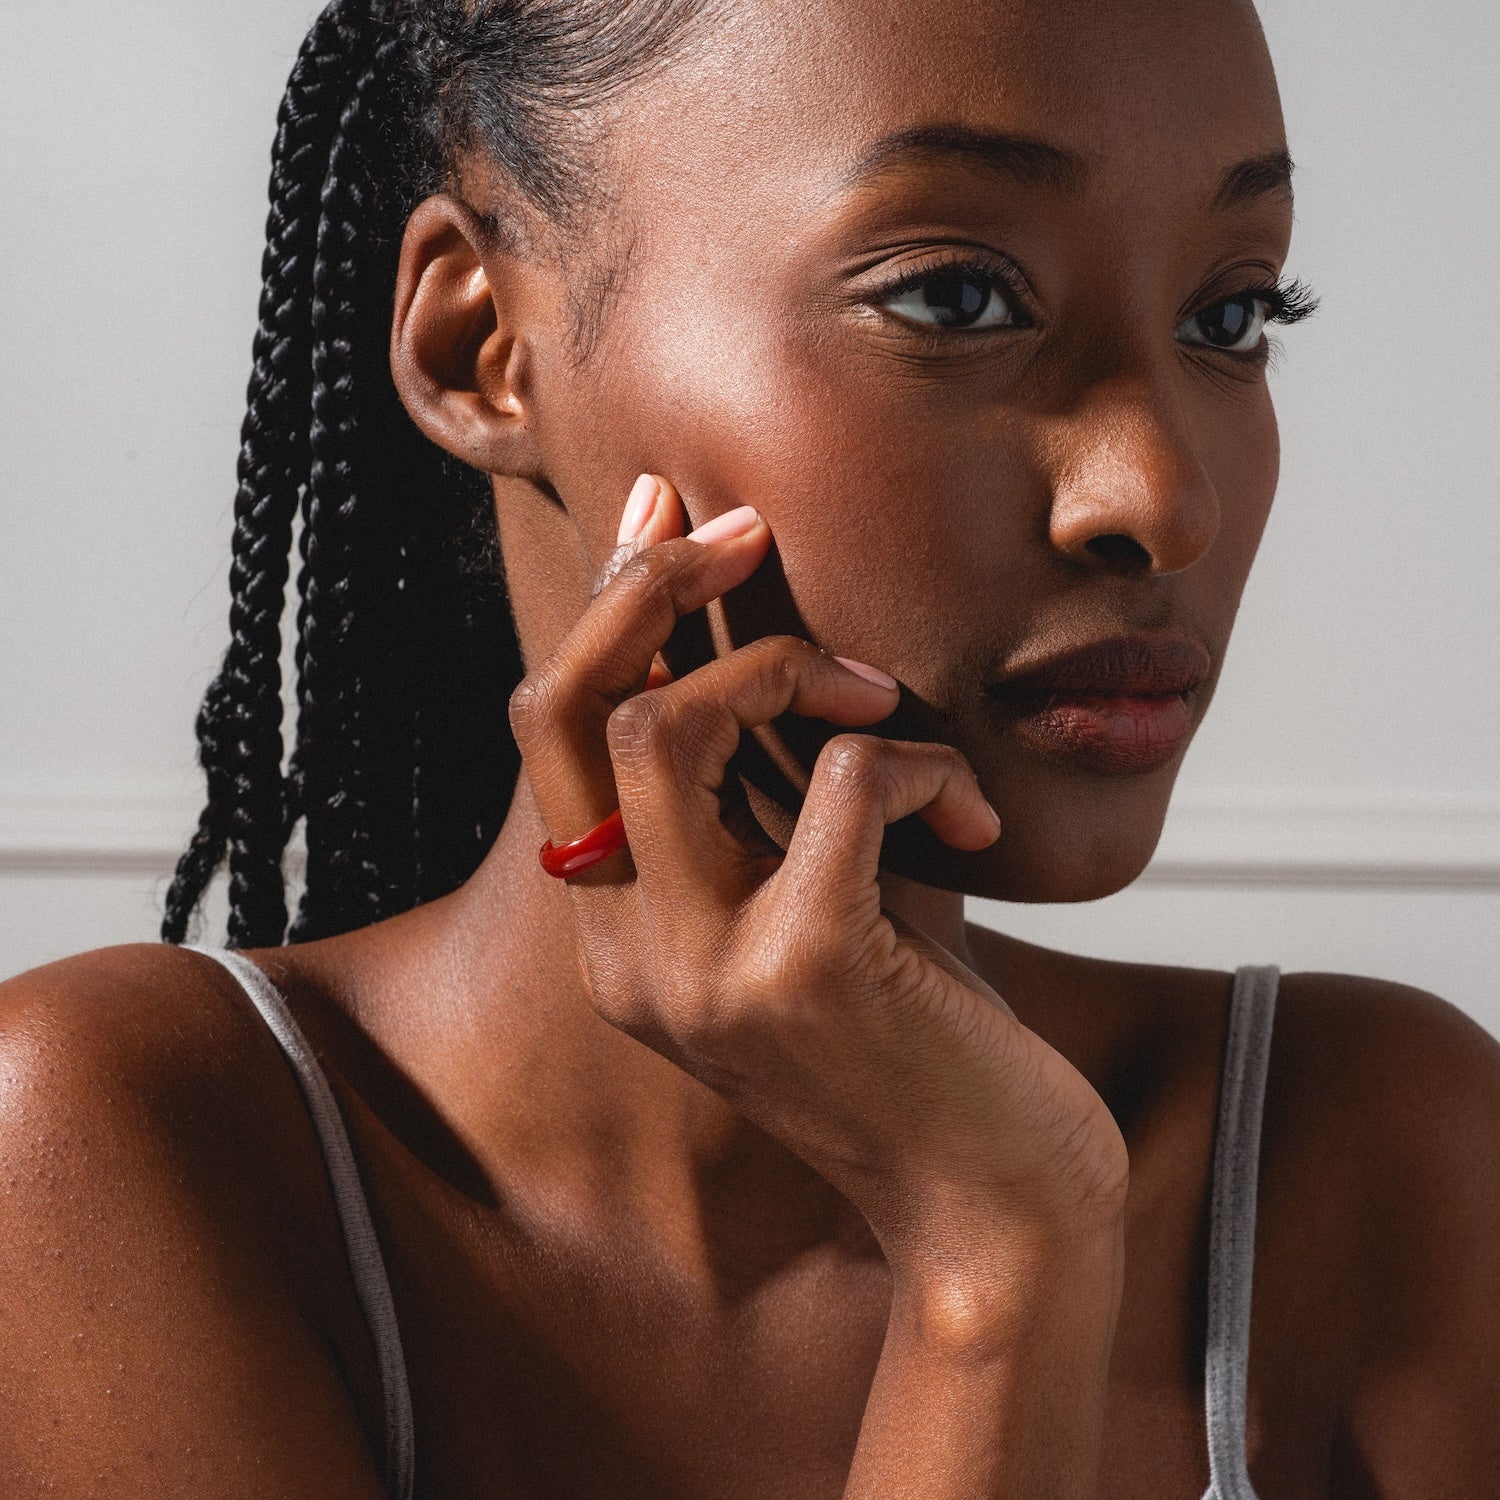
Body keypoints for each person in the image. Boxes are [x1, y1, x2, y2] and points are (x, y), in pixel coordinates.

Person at [2, 0, 1496, 1494]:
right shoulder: (112, 1154)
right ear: (482, 348)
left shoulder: (1381, 1158)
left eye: (1230, 314)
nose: (1164, 499)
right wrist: (999, 1261)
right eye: (956, 298)